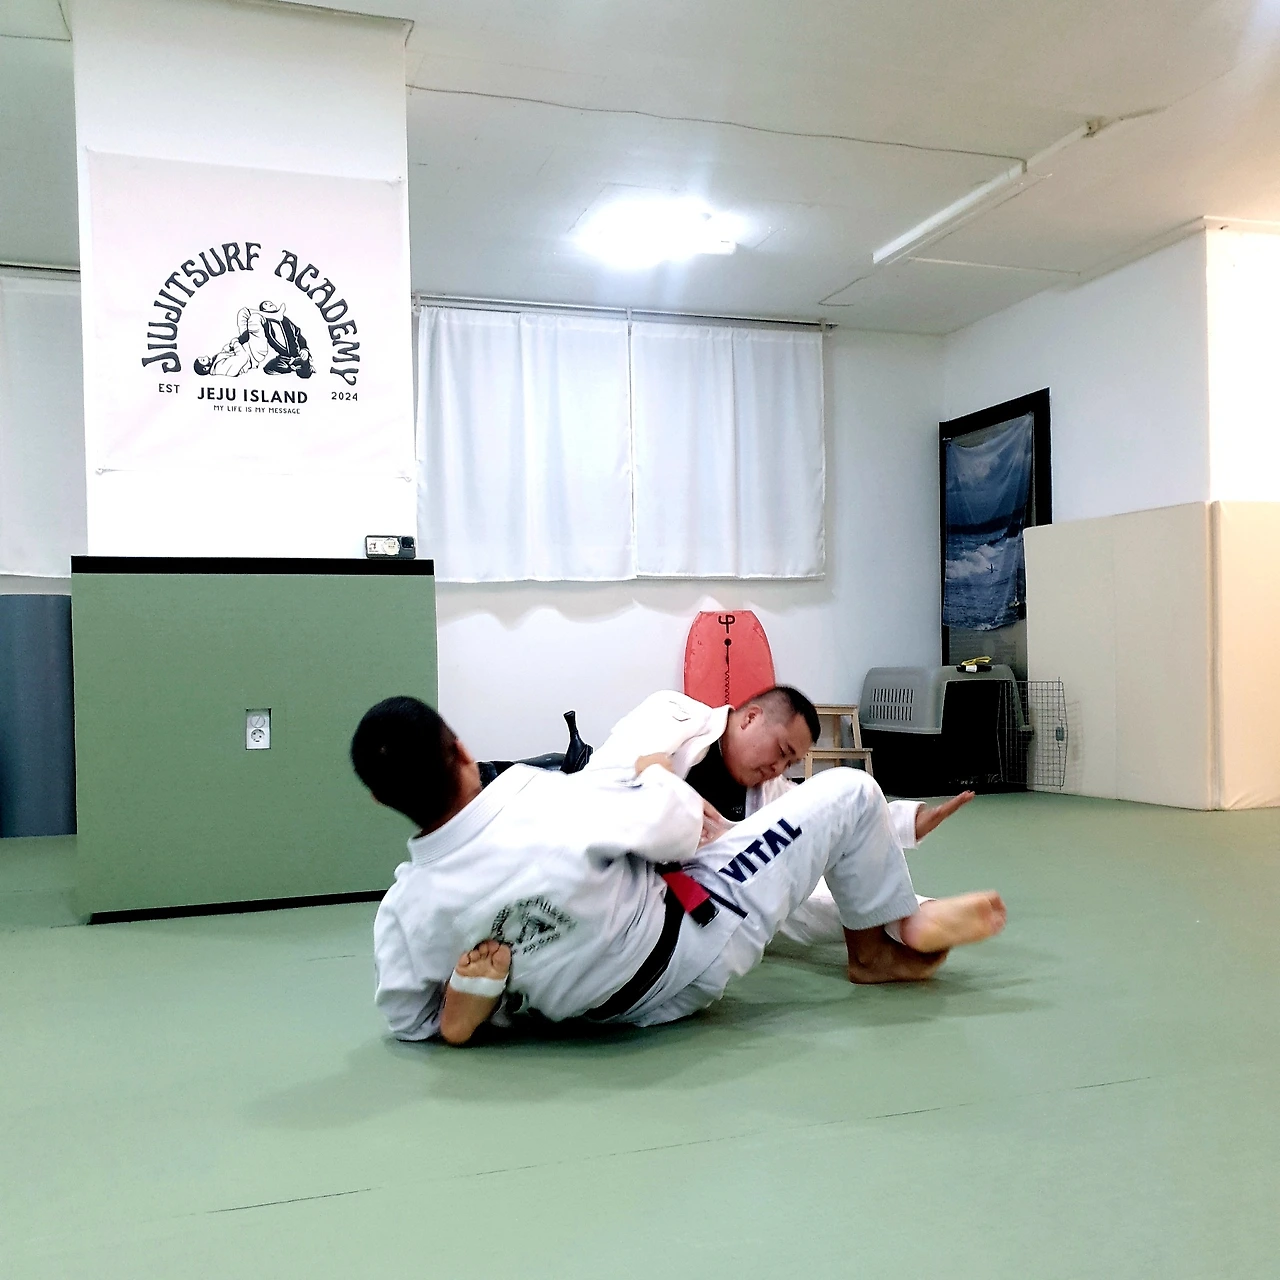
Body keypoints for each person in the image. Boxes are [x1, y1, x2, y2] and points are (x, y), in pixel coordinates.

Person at [351, 696, 1006, 1047]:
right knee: (851, 793)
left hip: (591, 1017)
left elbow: (407, 1021)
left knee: (771, 873)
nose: (779, 764)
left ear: (381, 801)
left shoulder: (405, 908)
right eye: (780, 750)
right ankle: (879, 950)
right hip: (686, 946)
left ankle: (905, 915)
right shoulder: (536, 793)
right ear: (463, 750)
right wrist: (656, 772)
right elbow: (672, 827)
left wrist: (468, 1003)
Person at [588, 686, 975, 947]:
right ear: (751, 718)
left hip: (708, 891)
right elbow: (608, 776)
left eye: (789, 762)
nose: (778, 767)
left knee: (792, 887)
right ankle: (909, 920)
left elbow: (821, 816)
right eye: (781, 750)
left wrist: (903, 822)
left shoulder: (770, 790)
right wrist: (670, 794)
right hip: (627, 871)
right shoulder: (675, 715)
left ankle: (915, 917)